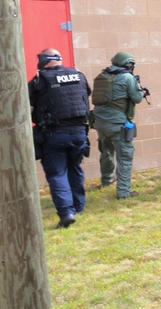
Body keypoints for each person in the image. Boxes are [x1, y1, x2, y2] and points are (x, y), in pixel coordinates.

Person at [28, 48, 91, 228]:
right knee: (74, 167)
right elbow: (86, 96)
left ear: (42, 60)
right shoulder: (79, 75)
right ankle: (79, 208)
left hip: (54, 134)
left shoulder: (39, 81)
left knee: (57, 173)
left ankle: (66, 213)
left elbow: (26, 108)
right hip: (79, 132)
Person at [91, 51, 147, 199]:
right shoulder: (127, 77)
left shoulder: (102, 76)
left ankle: (107, 180)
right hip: (117, 124)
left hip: (100, 123)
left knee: (106, 152)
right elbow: (136, 98)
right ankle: (123, 192)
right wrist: (141, 90)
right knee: (125, 156)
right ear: (129, 64)